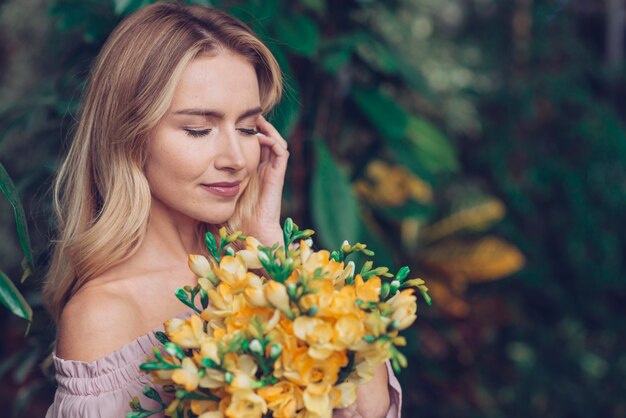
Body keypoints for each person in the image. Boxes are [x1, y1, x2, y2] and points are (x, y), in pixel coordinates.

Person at [43, 2, 401, 417]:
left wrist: (272, 250)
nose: (235, 157)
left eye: (248, 128)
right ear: (129, 137)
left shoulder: (260, 269)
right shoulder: (103, 316)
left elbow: (371, 410)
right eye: (199, 129)